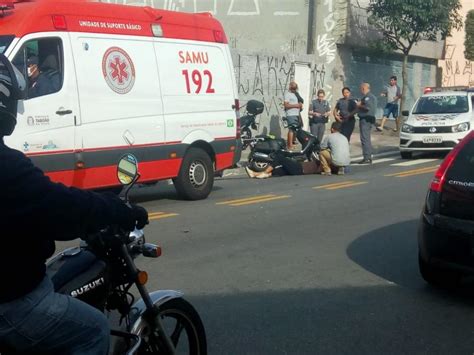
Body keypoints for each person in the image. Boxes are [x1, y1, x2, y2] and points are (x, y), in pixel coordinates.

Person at [0, 55, 148, 354]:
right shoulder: (7, 166)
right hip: (12, 303)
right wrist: (119, 210)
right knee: (92, 330)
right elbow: (60, 206)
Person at [245, 151, 321, 179]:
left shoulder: (325, 164)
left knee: (280, 158)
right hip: (299, 169)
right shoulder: (323, 163)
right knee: (280, 170)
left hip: (300, 168)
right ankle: (255, 174)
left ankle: (265, 172)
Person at [357, 82, 377, 164]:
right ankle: (368, 156)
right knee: (366, 138)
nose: (360, 90)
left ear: (363, 88)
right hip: (368, 119)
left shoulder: (368, 97)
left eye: (361, 88)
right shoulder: (370, 97)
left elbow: (367, 108)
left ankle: (367, 157)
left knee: (364, 138)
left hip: (366, 119)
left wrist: (359, 105)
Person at [283, 81, 303, 150]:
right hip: (291, 114)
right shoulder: (288, 94)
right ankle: (289, 145)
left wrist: (300, 105)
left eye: (295, 88)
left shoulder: (296, 94)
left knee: (294, 129)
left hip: (297, 114)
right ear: (290, 87)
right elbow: (286, 105)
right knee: (291, 129)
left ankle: (292, 142)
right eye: (293, 88)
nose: (294, 90)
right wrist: (296, 105)